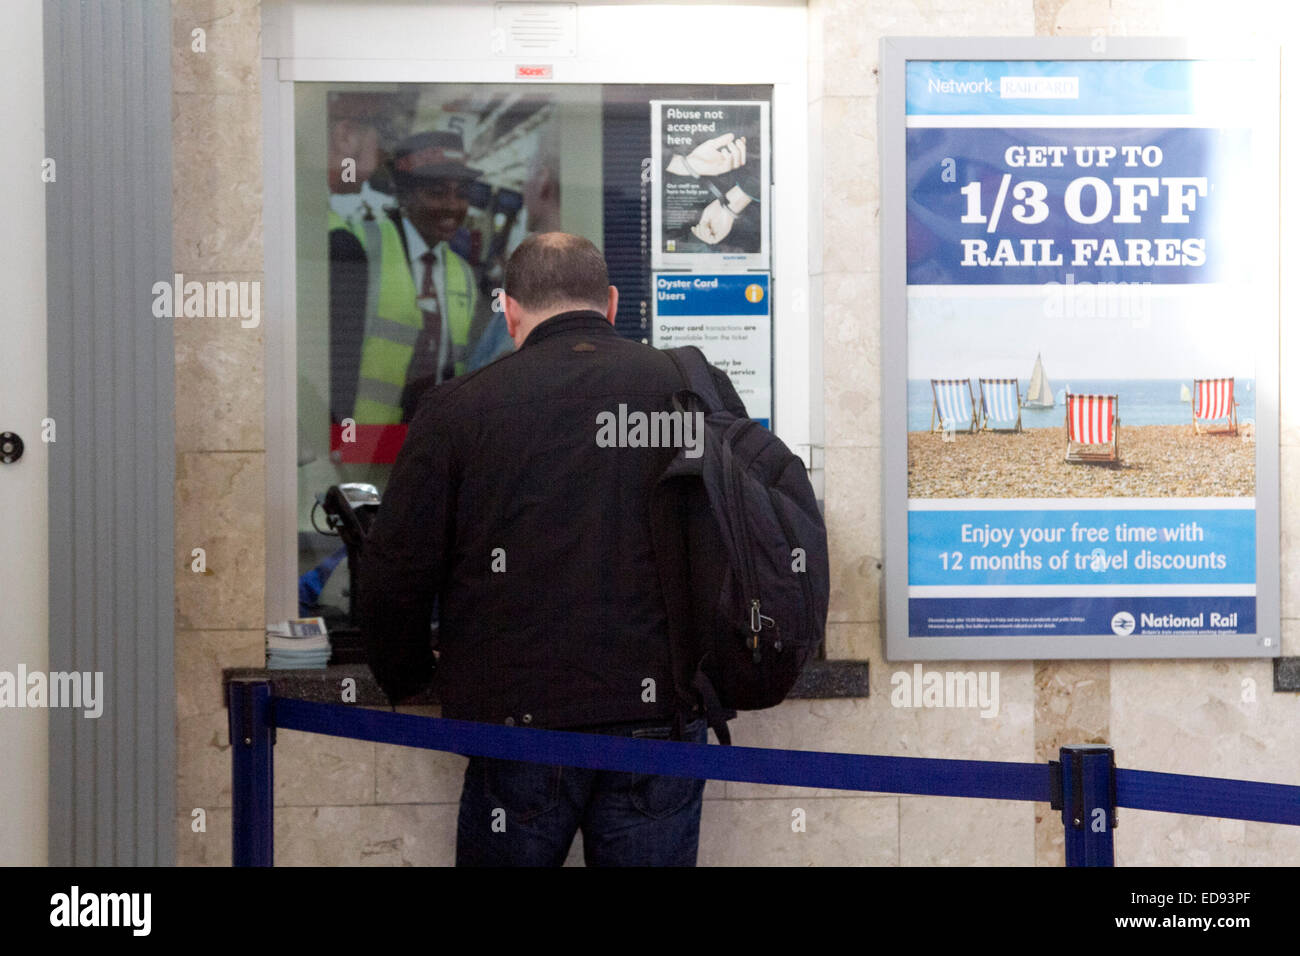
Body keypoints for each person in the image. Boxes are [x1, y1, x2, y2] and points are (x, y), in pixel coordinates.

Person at [359, 232, 747, 866]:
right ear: (613, 304)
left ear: (508, 310)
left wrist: (410, 676)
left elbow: (394, 576)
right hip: (660, 721)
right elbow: (737, 539)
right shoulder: (692, 391)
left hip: (518, 724)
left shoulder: (459, 409)